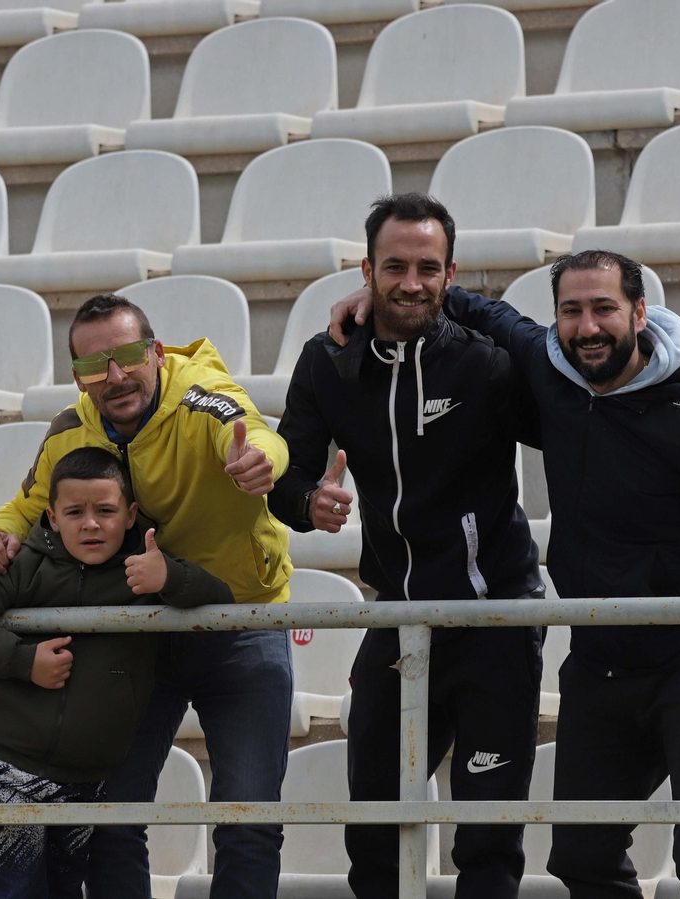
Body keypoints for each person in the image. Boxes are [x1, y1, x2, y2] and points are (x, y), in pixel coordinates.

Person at [328, 249, 680, 898]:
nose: (587, 326)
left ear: (639, 312)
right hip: (603, 661)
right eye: (572, 311)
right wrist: (392, 301)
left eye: (605, 308)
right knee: (581, 856)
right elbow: (498, 319)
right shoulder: (558, 378)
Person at [0, 293, 293, 898]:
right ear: (77, 377)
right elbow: (28, 505)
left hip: (240, 624)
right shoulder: (70, 431)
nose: (115, 376)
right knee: (112, 818)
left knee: (247, 821)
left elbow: (255, 436)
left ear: (156, 352)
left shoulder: (199, 397)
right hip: (137, 634)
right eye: (95, 365)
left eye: (128, 355)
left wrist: (259, 462)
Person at [269, 193, 545, 899]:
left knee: (487, 838)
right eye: (394, 266)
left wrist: (477, 307)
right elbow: (287, 479)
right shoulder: (327, 361)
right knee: (374, 833)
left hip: (496, 620)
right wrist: (308, 501)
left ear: (451, 272)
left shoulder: (486, 361)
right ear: (368, 270)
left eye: (429, 267)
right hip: (396, 618)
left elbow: (563, 383)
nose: (412, 282)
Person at [0, 447, 233, 899]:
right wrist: (23, 661)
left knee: (64, 890)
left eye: (105, 511)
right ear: (51, 516)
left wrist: (168, 575)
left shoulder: (143, 571)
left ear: (130, 515)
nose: (90, 523)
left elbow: (222, 604)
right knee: (13, 892)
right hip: (5, 768)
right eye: (75, 512)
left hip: (85, 781)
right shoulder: (22, 565)